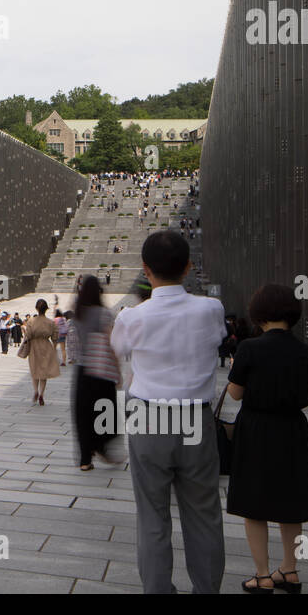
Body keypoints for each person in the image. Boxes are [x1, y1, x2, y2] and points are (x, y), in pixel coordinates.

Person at [110, 230, 226, 594]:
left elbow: (118, 350)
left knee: (152, 515)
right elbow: (217, 339)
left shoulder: (132, 316)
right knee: (204, 514)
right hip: (195, 418)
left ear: (145, 270)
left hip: (149, 417)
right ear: (188, 267)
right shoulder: (211, 308)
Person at [226, 284, 308, 594]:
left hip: (257, 428)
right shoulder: (305, 353)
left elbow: (235, 394)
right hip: (293, 430)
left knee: (255, 503)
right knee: (291, 502)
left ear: (259, 314)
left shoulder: (250, 349)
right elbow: (303, 397)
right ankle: (289, 571)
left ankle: (263, 575)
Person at [71, 275, 121, 470]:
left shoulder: (78, 313)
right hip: (100, 369)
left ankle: (85, 459)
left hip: (82, 370)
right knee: (105, 409)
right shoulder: (103, 314)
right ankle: (102, 446)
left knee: (83, 413)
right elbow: (111, 344)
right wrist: (117, 371)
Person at [22, 299, 59, 405]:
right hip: (46, 347)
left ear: (37, 309)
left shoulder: (31, 321)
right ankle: (42, 394)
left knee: (34, 370)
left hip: (34, 347)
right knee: (43, 373)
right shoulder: (50, 322)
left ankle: (35, 391)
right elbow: (55, 336)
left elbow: (27, 335)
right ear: (46, 309)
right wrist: (54, 348)